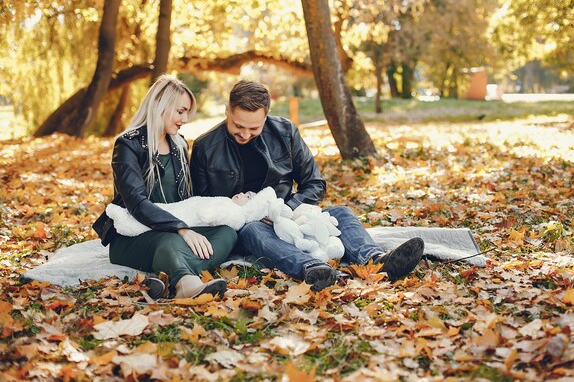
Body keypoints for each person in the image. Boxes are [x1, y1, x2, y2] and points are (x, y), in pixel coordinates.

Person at [190, 80, 424, 291]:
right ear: (227, 111)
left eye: (254, 128)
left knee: (341, 212)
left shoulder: (285, 132)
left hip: (291, 214)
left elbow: (314, 183)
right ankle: (313, 269)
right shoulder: (205, 147)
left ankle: (378, 260)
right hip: (248, 224)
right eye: (238, 126)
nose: (245, 134)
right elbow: (202, 205)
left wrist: (288, 209)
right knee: (253, 232)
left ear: (266, 116)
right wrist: (234, 208)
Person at [92, 75, 237, 299]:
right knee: (169, 242)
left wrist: (229, 202)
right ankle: (185, 283)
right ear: (160, 105)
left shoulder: (179, 144)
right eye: (180, 111)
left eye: (187, 112)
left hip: (175, 229)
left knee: (227, 232)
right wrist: (182, 229)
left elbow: (192, 199)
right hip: (133, 235)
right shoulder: (127, 145)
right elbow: (136, 203)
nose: (185, 119)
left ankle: (164, 278)